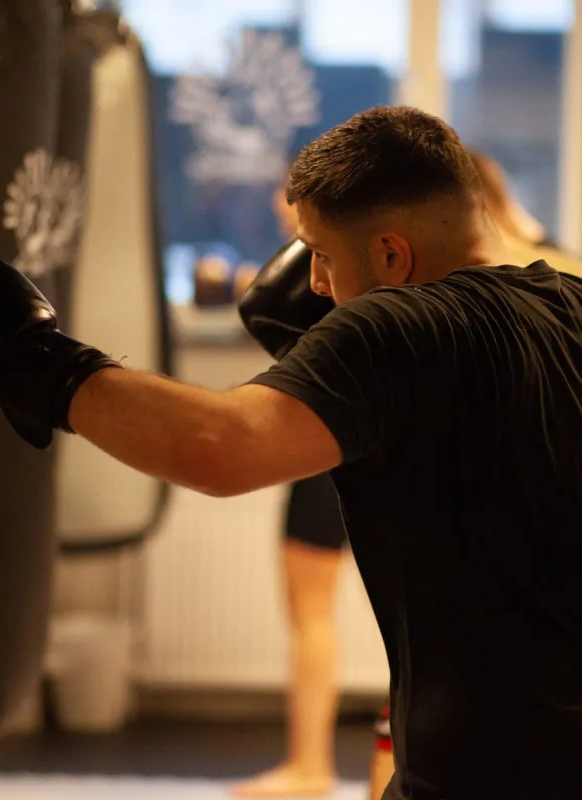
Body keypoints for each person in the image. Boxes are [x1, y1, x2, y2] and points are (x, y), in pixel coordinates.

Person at [0, 106, 582, 799]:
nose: (314, 285)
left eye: (323, 256)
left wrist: (26, 361)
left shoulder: (406, 327)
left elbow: (214, 446)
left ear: (392, 253)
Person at [363, 149, 582, 800]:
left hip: (501, 558)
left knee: (423, 716)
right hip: (566, 558)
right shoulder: (579, 280)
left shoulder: (493, 289)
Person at [231, 182, 351, 799]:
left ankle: (310, 768)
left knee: (311, 619)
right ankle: (310, 764)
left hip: (327, 451)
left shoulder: (332, 273)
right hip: (363, 452)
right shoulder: (387, 275)